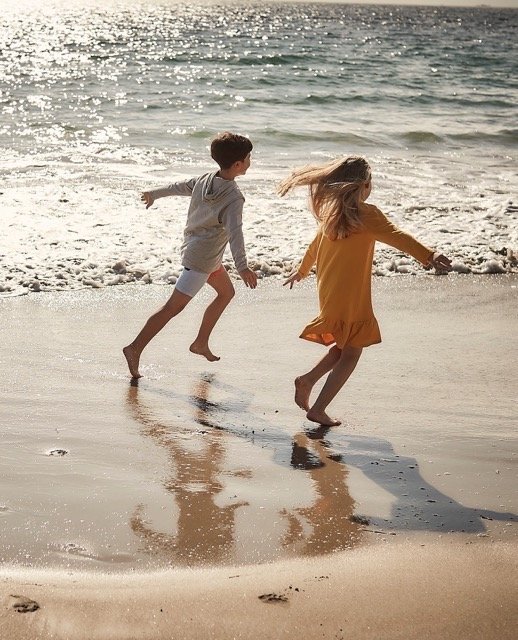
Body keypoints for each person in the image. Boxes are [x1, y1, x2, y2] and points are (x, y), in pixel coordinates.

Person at [279, 156, 451, 426]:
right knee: (353, 349)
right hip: (350, 294)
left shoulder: (332, 215)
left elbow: (314, 247)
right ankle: (318, 408)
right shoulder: (367, 214)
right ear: (364, 185)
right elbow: (398, 236)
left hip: (330, 289)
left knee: (345, 345)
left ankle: (307, 380)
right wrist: (428, 255)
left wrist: (302, 271)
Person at [123, 132, 257, 379]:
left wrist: (155, 193)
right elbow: (236, 233)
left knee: (226, 292)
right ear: (238, 164)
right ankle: (134, 348)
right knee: (172, 308)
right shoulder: (233, 197)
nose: (250, 161)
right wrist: (243, 267)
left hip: (202, 252)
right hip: (201, 261)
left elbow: (179, 186)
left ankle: (200, 343)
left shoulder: (207, 179)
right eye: (248, 157)